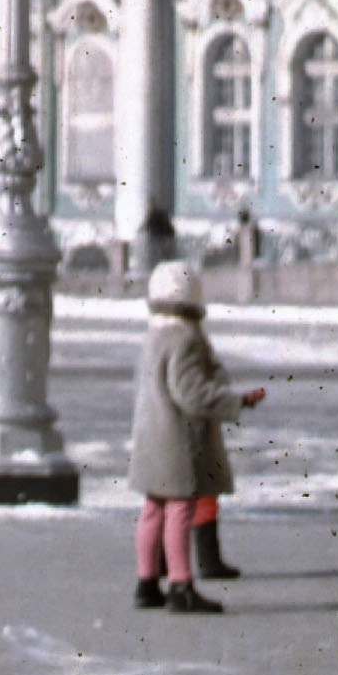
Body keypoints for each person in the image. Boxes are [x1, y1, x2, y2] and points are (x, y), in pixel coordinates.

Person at [129, 261, 262, 615]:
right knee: (180, 508)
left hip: (150, 437)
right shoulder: (186, 339)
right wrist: (235, 401)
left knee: (153, 508)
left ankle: (146, 582)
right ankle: (180, 584)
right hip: (177, 441)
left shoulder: (154, 336)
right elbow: (191, 393)